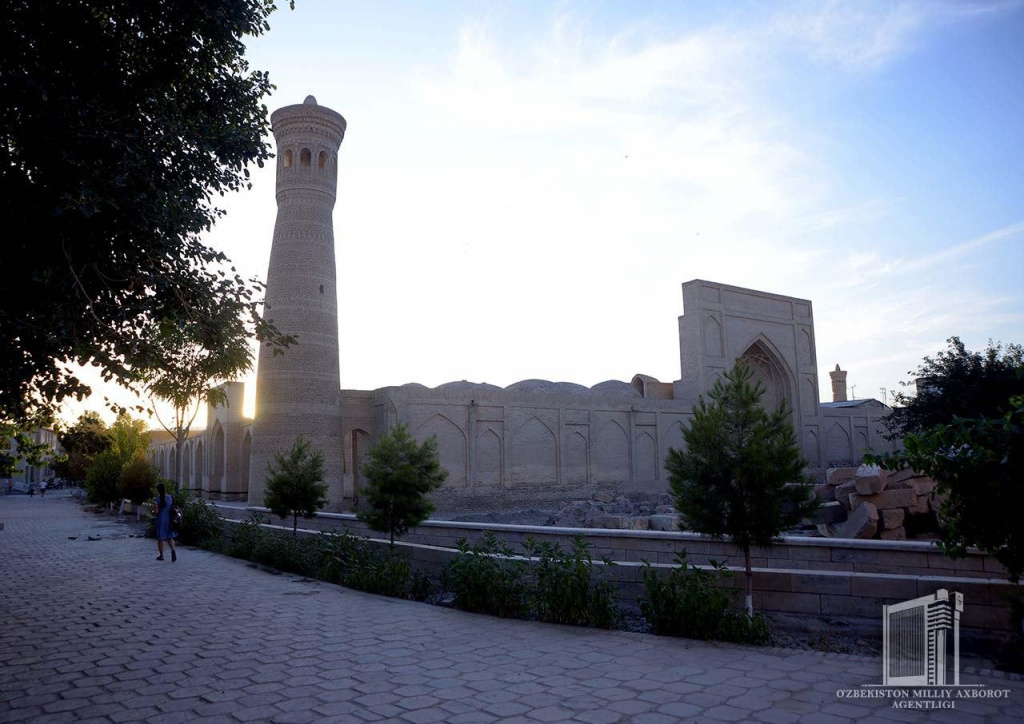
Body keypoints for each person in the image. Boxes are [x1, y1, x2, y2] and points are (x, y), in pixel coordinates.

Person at [153, 482, 178, 562]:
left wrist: (154, 512)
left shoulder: (157, 499)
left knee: (160, 538)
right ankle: (173, 551)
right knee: (169, 537)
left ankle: (161, 555)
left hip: (161, 519)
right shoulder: (170, 497)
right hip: (169, 519)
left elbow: (156, 512)